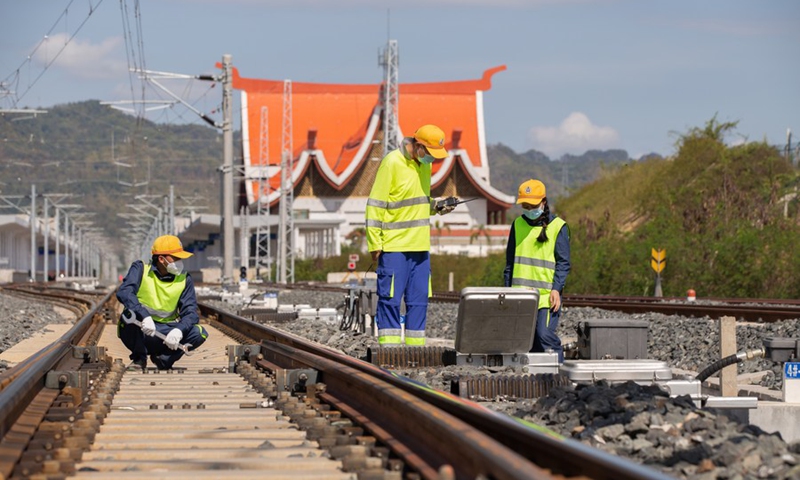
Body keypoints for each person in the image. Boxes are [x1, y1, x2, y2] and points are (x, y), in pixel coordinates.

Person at [365, 124, 455, 346]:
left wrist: (438, 207)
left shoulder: (424, 167)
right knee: (390, 300)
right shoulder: (392, 162)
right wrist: (375, 243)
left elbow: (418, 202)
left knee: (419, 302)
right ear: (419, 146)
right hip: (395, 247)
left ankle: (416, 352)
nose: (432, 160)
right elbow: (375, 204)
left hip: (420, 247)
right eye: (431, 154)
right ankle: (389, 350)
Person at [117, 235, 208, 370]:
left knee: (199, 332)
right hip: (141, 328)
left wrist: (179, 330)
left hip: (167, 331)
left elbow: (191, 312)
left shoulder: (184, 278)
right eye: (176, 258)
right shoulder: (141, 269)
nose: (180, 261)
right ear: (161, 259)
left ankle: (164, 360)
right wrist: (144, 316)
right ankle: (139, 359)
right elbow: (124, 292)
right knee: (127, 319)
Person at [503, 179, 571, 362]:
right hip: (520, 297)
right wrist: (506, 292)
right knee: (527, 341)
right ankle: (535, 380)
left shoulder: (558, 227)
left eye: (532, 204)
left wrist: (557, 288)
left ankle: (559, 372)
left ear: (543, 202)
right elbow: (509, 264)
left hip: (545, 296)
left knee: (544, 335)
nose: (529, 208)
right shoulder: (517, 225)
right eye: (525, 205)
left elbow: (563, 263)